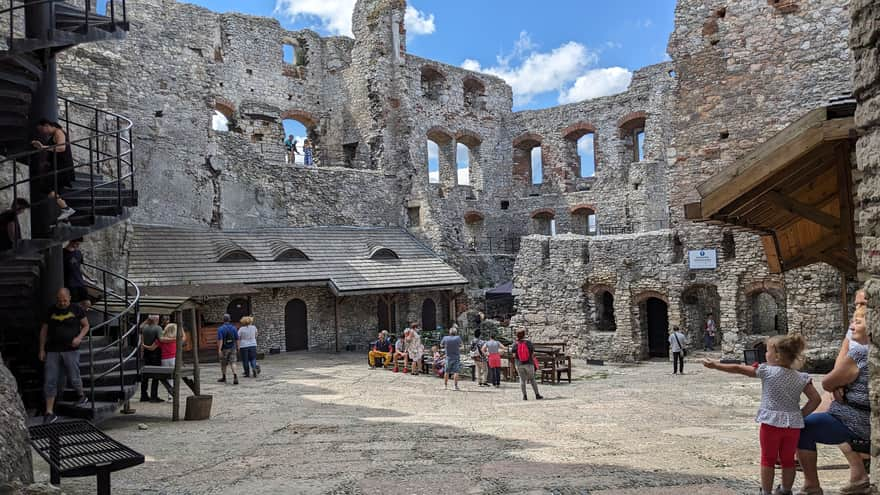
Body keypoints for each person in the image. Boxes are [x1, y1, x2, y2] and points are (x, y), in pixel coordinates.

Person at [703, 335, 820, 495]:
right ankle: (786, 490)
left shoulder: (766, 371)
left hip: (770, 424)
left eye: (767, 351)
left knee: (768, 459)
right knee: (788, 460)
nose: (765, 354)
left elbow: (738, 369)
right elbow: (815, 399)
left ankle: (766, 491)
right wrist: (800, 414)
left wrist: (716, 365)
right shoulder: (801, 378)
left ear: (777, 355)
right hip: (792, 425)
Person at [796, 307, 871, 495]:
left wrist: (839, 385)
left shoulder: (861, 354)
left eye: (857, 322)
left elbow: (828, 382)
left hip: (854, 421)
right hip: (860, 417)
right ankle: (859, 476)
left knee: (801, 428)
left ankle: (812, 485)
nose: (852, 327)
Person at [39, 288, 90, 423]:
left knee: (74, 375)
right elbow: (44, 331)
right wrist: (41, 349)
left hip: (71, 349)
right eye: (59, 300)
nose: (62, 303)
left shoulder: (77, 309)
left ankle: (81, 395)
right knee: (50, 379)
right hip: (53, 350)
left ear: (70, 298)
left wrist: (79, 338)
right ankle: (49, 411)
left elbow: (86, 326)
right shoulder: (51, 310)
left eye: (64, 300)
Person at [32, 119, 76, 222]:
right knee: (56, 192)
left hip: (62, 168)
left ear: (47, 125)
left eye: (42, 129)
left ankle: (67, 209)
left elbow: (61, 148)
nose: (42, 132)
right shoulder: (54, 134)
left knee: (46, 187)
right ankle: (66, 220)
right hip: (58, 167)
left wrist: (43, 147)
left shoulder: (59, 132)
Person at [139, 315, 165, 402]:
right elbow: (161, 339)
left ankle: (143, 395)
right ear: (157, 319)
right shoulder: (158, 328)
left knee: (145, 376)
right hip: (155, 353)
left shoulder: (145, 328)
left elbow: (140, 327)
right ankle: (154, 396)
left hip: (146, 353)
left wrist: (147, 320)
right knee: (155, 375)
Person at [513, 330, 542, 400]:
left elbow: (514, 355)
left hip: (519, 364)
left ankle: (524, 396)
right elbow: (532, 354)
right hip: (529, 363)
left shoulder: (515, 344)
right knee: (532, 379)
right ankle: (537, 394)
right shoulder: (528, 343)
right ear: (524, 335)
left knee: (522, 380)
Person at [63, 238, 91, 309]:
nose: (78, 246)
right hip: (70, 283)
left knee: (87, 303)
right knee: (74, 304)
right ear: (70, 241)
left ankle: (79, 316)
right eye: (76, 244)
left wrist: (89, 277)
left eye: (79, 244)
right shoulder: (62, 253)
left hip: (80, 281)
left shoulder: (78, 252)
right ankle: (76, 317)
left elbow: (79, 267)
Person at [216, 314, 240, 385]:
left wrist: (219, 349)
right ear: (230, 320)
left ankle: (224, 377)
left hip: (224, 349)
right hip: (233, 347)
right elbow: (237, 339)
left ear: (223, 320)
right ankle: (235, 376)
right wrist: (238, 347)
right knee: (233, 362)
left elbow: (220, 340)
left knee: (223, 364)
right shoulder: (234, 328)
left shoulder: (220, 329)